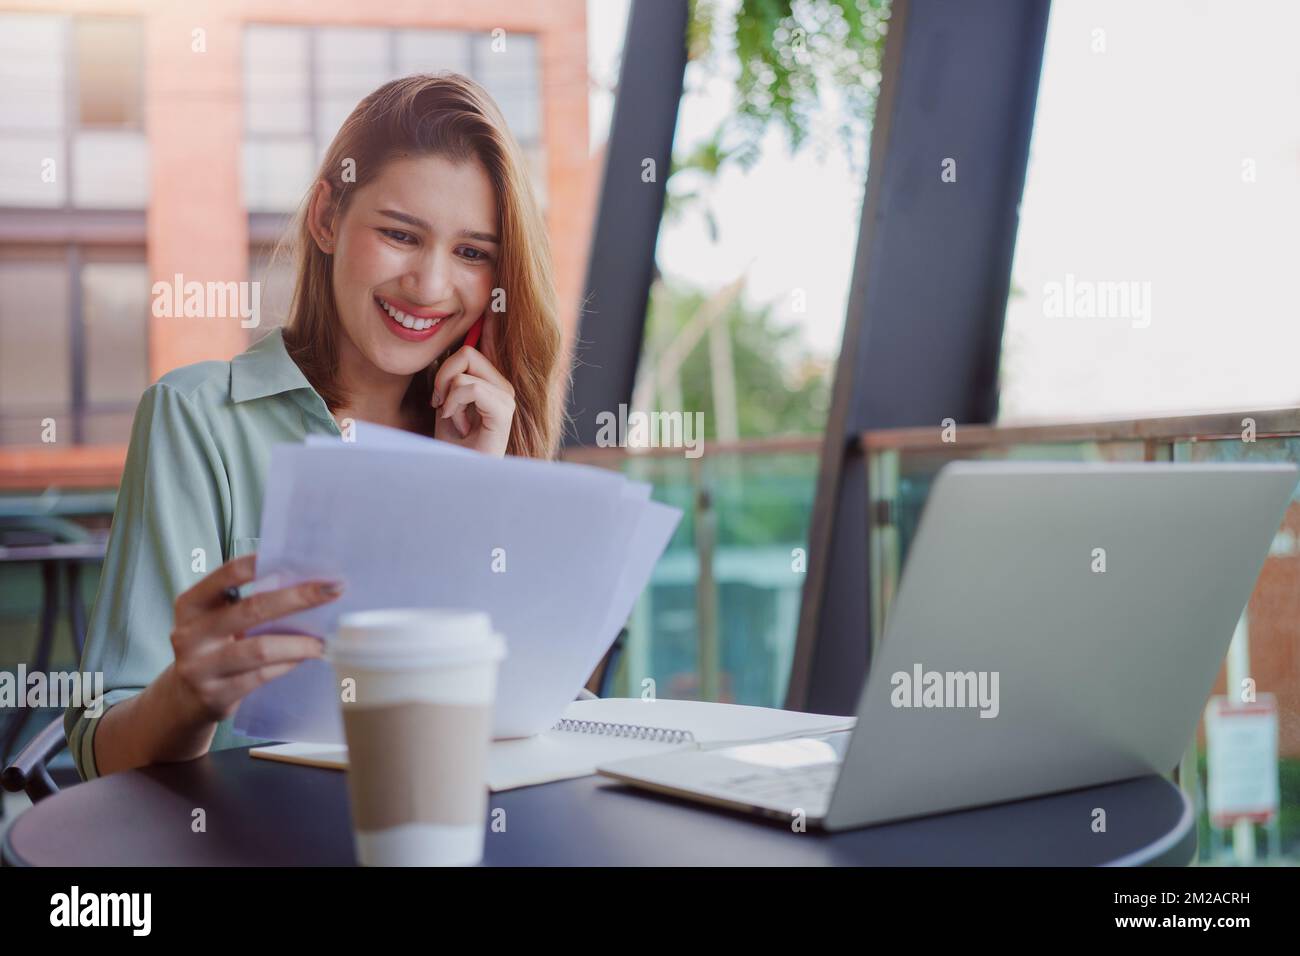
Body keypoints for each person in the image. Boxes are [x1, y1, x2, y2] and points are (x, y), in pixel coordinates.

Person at [63, 72, 567, 780]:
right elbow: (104, 757)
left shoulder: (490, 437)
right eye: (400, 234)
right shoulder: (199, 419)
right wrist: (188, 695)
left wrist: (470, 489)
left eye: (472, 253)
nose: (428, 285)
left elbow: (525, 724)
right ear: (327, 218)